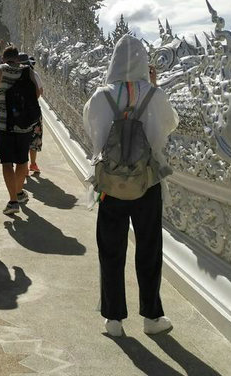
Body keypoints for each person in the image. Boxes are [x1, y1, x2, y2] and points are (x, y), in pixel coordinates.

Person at [82, 34, 178, 337]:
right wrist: (154, 87)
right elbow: (170, 125)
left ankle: (113, 320)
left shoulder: (101, 96)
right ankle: (151, 317)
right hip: (147, 181)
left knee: (110, 248)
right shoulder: (154, 95)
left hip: (110, 182)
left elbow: (92, 133)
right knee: (149, 247)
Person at [0, 45, 43, 215]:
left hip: (4, 125)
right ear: (18, 59)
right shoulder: (28, 72)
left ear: (3, 58)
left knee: (6, 163)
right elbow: (37, 95)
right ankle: (18, 193)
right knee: (21, 161)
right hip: (24, 125)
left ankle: (13, 201)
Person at [19, 53, 43, 175]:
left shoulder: (12, 74)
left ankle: (22, 165)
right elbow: (40, 92)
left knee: (20, 138)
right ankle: (32, 164)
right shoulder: (34, 75)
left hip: (17, 111)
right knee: (34, 138)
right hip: (33, 111)